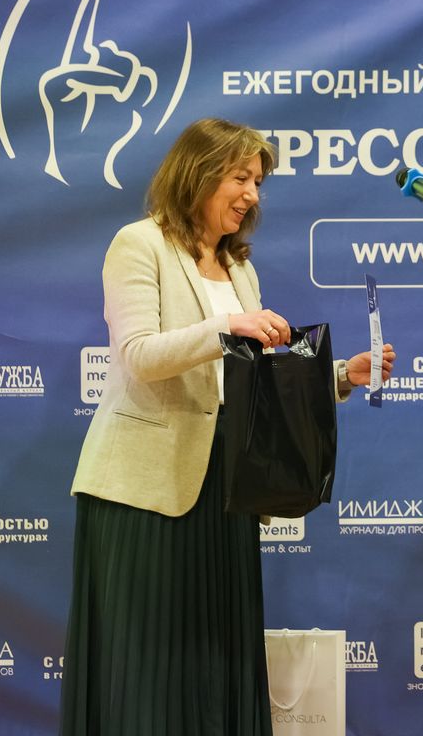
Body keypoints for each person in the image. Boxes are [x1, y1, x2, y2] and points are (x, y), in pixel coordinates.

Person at [60, 117, 394, 736]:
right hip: (147, 492)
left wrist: (341, 376)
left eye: (258, 182)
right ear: (198, 173)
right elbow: (138, 355)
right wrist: (226, 329)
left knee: (216, 662)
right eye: (241, 177)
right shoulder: (138, 244)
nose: (252, 194)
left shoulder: (241, 270)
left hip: (228, 487)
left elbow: (251, 384)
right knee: (149, 665)